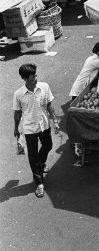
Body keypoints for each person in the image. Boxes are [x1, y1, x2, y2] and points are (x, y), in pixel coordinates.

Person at [13, 63, 60, 198]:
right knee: (33, 156)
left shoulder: (44, 87)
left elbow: (50, 104)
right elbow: (17, 113)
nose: (36, 79)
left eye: (36, 76)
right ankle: (39, 183)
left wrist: (55, 121)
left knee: (48, 145)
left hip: (44, 124)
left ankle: (40, 165)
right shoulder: (19, 94)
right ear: (25, 79)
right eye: (33, 77)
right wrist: (16, 128)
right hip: (29, 128)